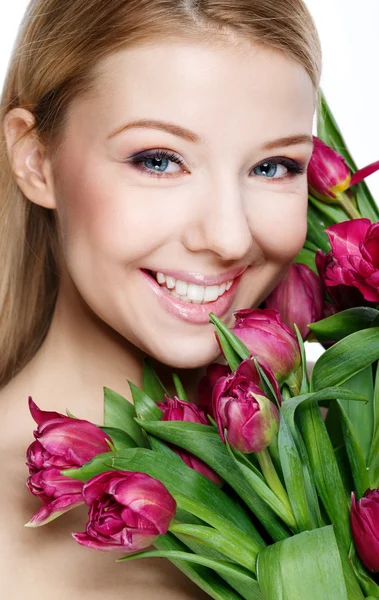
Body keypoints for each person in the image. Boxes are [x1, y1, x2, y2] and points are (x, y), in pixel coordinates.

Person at [0, 0, 321, 598]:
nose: (229, 236)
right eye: (159, 160)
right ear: (36, 159)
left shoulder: (344, 453)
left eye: (274, 166)